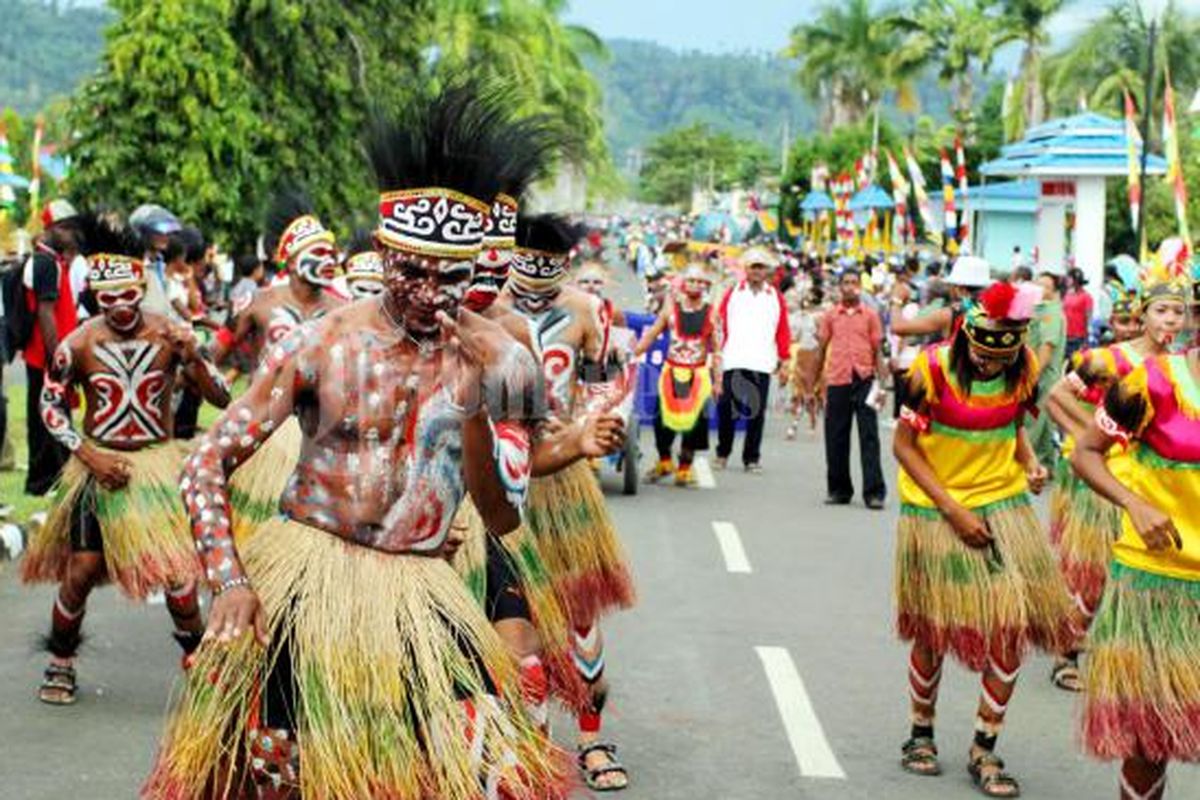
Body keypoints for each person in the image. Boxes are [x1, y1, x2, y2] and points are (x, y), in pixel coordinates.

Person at [145, 83, 572, 800]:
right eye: (411, 272)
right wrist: (230, 582)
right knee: (269, 776)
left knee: (481, 776)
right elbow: (207, 464)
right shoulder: (322, 346)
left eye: (451, 278)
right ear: (381, 252)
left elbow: (500, 519)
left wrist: (470, 407)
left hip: (422, 595)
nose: (429, 295)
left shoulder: (497, 358)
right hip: (308, 583)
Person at [21, 213, 230, 705]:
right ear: (94, 293)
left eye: (127, 293)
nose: (118, 306)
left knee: (179, 580)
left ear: (140, 284)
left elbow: (220, 396)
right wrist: (86, 453)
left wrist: (195, 357)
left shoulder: (171, 334)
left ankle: (198, 659)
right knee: (82, 569)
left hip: (156, 467)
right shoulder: (79, 343)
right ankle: (61, 659)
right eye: (106, 296)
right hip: (99, 469)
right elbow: (50, 406)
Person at [892, 280, 1074, 798]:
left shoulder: (1025, 369)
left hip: (1003, 505)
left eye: (1002, 356)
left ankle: (984, 746)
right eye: (982, 354)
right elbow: (905, 447)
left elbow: (1012, 426)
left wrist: (1032, 462)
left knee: (1012, 627)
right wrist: (953, 510)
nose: (991, 364)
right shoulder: (928, 369)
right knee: (934, 628)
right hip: (934, 507)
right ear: (965, 339)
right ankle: (920, 734)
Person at [497, 213, 636, 792]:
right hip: (499, 479)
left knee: (579, 611)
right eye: (529, 263)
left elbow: (608, 377)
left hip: (564, 478)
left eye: (552, 267)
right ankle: (525, 740)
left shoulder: (585, 310)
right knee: (509, 615)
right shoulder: (483, 306)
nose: (538, 277)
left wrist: (594, 422)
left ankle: (591, 737)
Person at [1070, 317, 1199, 800]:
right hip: (1158, 582)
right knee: (1151, 736)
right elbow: (1085, 452)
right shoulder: (1153, 380)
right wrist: (1134, 502)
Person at [1043, 278, 1182, 693]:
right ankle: (1066, 653)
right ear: (1144, 316)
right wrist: (1095, 439)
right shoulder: (1109, 360)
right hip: (1104, 485)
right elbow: (1055, 395)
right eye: (1162, 310)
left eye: (1177, 311)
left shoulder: (1178, 368)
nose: (1170, 319)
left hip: (1148, 488)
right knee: (1093, 572)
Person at [636, 262, 721, 486]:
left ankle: (685, 468)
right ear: (683, 283)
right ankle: (664, 461)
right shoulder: (669, 310)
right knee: (661, 421)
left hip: (698, 375)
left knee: (694, 425)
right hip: (671, 373)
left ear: (706, 285)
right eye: (691, 280)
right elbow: (652, 334)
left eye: (700, 281)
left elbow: (717, 349)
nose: (695, 284)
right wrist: (632, 353)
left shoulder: (712, 314)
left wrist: (718, 381)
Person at [813, 268, 886, 508]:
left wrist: (882, 385)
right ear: (839, 287)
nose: (850, 286)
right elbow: (821, 349)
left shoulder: (871, 316)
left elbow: (877, 351)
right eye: (845, 282)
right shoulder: (831, 316)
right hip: (837, 380)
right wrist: (813, 383)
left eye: (854, 282)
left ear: (860, 287)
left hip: (865, 379)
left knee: (870, 437)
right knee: (835, 437)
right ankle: (839, 490)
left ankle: (874, 493)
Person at [24, 200, 83, 496]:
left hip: (48, 354)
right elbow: (45, 313)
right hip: (45, 355)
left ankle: (49, 478)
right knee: (50, 417)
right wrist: (56, 358)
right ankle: (46, 480)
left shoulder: (53, 260)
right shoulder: (46, 263)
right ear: (51, 228)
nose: (71, 234)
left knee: (49, 415)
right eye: (66, 228)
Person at [715, 247, 791, 472]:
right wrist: (717, 354)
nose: (757, 271)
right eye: (753, 267)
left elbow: (782, 329)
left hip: (761, 360)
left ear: (767, 271)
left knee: (756, 413)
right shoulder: (733, 293)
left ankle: (751, 458)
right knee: (728, 409)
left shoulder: (774, 297)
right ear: (746, 269)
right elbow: (720, 324)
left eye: (761, 267)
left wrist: (784, 359)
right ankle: (722, 453)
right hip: (734, 357)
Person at [1025, 270, 1065, 471]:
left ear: (1055, 292)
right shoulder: (1038, 310)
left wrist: (1032, 377)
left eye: (1045, 286)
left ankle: (1032, 467)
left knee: (1033, 424)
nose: (1039, 289)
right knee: (1043, 424)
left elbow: (1047, 346)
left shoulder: (1050, 311)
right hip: (1038, 376)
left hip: (1042, 378)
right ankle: (1047, 467)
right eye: (1037, 284)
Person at [785, 287, 823, 438]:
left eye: (809, 300)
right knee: (797, 393)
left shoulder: (818, 317)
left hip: (811, 356)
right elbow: (789, 337)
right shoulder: (793, 317)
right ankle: (794, 425)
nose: (806, 302)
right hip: (797, 356)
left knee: (808, 393)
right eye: (804, 299)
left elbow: (822, 339)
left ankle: (811, 423)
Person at [1063, 267, 1093, 359]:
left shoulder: (1086, 297)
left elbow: (1088, 318)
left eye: (1069, 278)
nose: (1067, 280)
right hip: (1065, 336)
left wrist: (1086, 340)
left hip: (1078, 337)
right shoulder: (1066, 295)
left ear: (1075, 279)